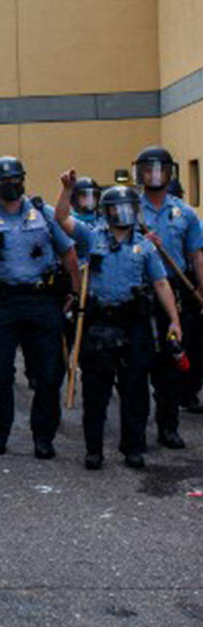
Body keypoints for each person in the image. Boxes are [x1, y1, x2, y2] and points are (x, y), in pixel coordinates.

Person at [55, 176, 180, 469]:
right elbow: (61, 218)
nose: (124, 214)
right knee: (96, 391)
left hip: (134, 322)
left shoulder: (145, 246)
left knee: (135, 389)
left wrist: (174, 320)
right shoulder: (91, 236)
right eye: (118, 208)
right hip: (98, 321)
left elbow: (161, 284)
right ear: (107, 211)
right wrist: (67, 189)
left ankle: (133, 447)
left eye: (129, 208)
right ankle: (94, 449)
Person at [0, 156, 80, 458]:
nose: (9, 185)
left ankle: (44, 437)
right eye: (2, 181)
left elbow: (69, 254)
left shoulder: (45, 214)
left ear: (23, 180)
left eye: (14, 179)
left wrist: (76, 293)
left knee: (48, 373)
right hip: (2, 305)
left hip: (42, 303)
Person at [133, 146, 203, 448]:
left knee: (171, 362)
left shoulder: (184, 213)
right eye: (148, 169)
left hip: (173, 292)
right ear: (140, 172)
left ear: (170, 172)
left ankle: (168, 427)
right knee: (136, 363)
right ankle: (134, 431)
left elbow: (196, 254)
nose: (155, 174)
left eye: (160, 169)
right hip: (138, 291)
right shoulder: (128, 209)